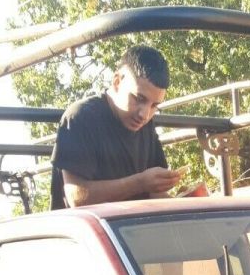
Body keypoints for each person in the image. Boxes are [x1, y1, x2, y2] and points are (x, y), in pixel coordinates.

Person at [50, 45, 184, 209]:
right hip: (87, 231)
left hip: (132, 230)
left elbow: (153, 193)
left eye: (154, 105)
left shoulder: (145, 124)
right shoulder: (81, 117)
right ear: (117, 81)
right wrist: (139, 183)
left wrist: (189, 204)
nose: (145, 114)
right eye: (138, 98)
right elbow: (77, 197)